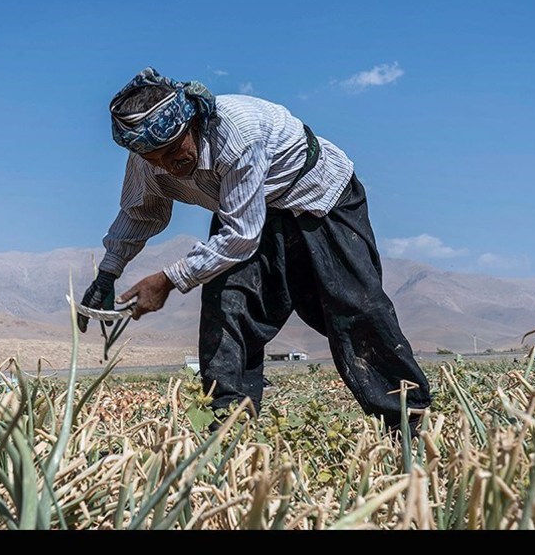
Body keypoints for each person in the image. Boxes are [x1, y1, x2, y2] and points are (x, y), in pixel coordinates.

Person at [78, 67, 431, 434]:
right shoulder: (146, 157)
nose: (168, 165)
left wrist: (168, 280)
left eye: (173, 151)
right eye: (155, 158)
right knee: (227, 309)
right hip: (243, 211)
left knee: (354, 307)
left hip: (317, 200)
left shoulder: (238, 137)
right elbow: (140, 212)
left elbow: (241, 237)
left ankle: (408, 418)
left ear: (192, 123)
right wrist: (108, 274)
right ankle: (229, 427)